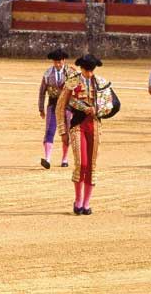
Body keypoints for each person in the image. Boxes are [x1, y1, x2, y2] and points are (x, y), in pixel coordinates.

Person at [55, 54, 116, 215]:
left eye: (91, 70)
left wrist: (99, 110)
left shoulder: (101, 83)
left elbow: (111, 105)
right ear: (81, 68)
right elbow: (60, 107)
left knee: (91, 165)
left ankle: (86, 203)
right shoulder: (72, 81)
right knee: (81, 164)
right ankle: (78, 200)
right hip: (78, 125)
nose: (89, 73)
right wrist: (62, 131)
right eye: (86, 70)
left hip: (95, 125)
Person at [37, 48, 75, 169]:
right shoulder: (48, 73)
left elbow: (77, 90)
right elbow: (42, 92)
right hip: (53, 104)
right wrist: (41, 108)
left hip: (67, 105)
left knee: (66, 132)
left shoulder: (71, 73)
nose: (57, 64)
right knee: (49, 130)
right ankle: (47, 158)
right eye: (55, 62)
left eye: (59, 62)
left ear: (64, 60)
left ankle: (64, 158)